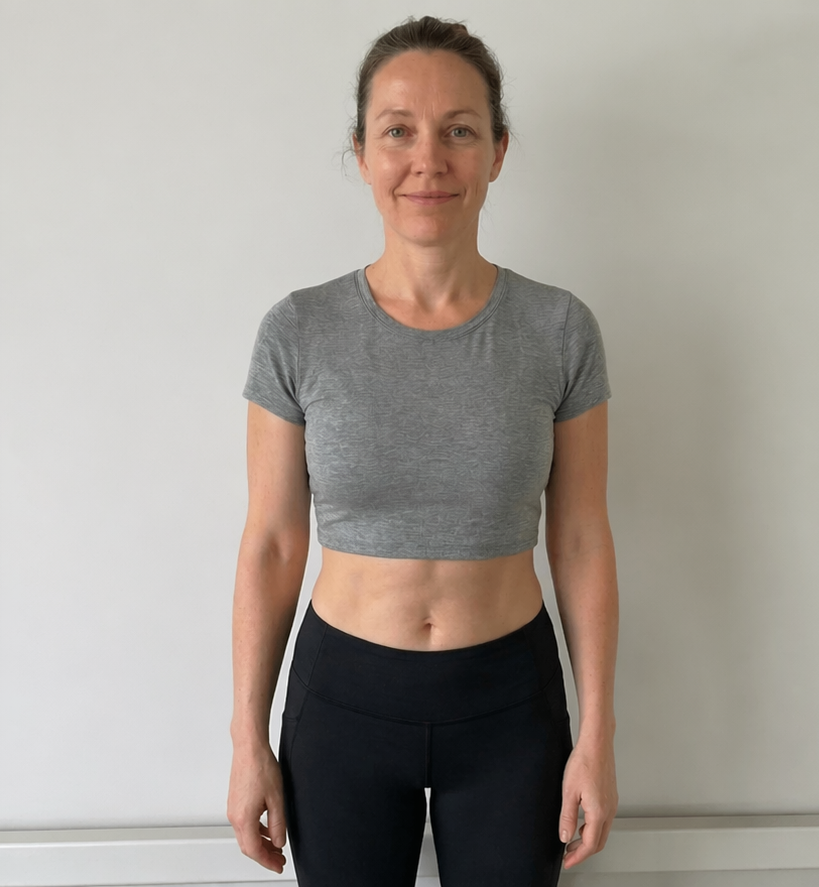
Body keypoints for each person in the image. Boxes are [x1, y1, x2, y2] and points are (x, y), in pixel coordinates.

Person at [227, 15, 618, 887]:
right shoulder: (298, 331)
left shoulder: (558, 328)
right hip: (342, 705)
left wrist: (596, 734)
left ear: (498, 150)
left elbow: (583, 536)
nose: (427, 160)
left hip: (509, 703)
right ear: (362, 151)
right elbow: (272, 544)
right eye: (398, 130)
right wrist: (247, 737)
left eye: (460, 131)